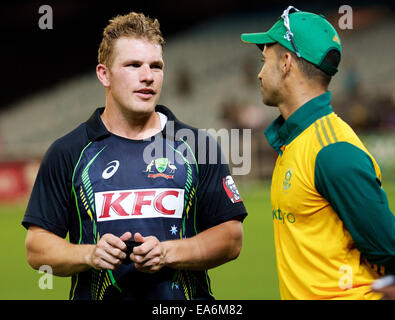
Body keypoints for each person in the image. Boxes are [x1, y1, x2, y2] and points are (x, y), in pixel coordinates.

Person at [22, 12, 247, 300]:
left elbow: (231, 238)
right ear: (104, 74)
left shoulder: (198, 145)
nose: (147, 76)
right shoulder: (67, 151)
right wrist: (90, 254)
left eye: (156, 66)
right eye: (133, 65)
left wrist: (167, 252)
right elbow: (36, 247)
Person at [241, 6, 394, 299]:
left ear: (286, 62)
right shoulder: (300, 140)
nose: (259, 74)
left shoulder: (331, 151)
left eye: (264, 61)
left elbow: (388, 245)